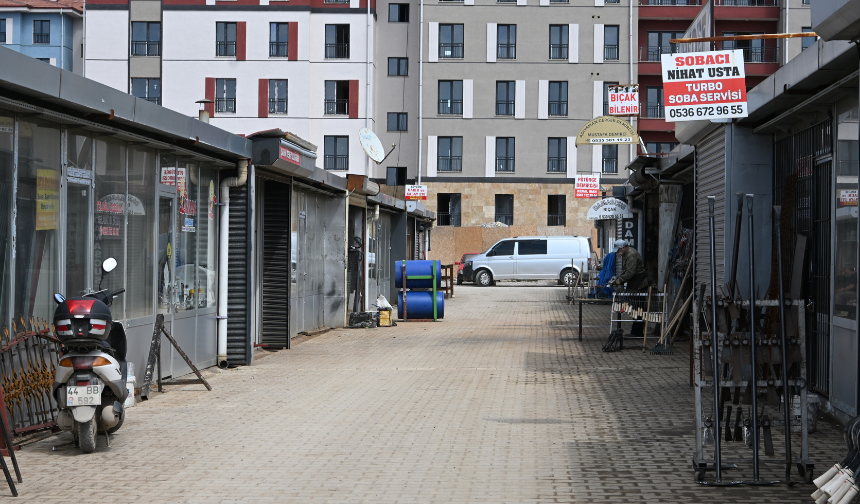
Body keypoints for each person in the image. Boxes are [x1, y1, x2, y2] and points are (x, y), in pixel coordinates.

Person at [608, 239, 651, 337]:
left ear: (623, 248)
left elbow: (630, 272)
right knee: (635, 307)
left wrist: (619, 281)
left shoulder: (631, 255)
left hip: (639, 283)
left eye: (618, 250)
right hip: (635, 281)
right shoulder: (626, 254)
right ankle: (636, 331)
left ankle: (637, 332)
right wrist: (618, 278)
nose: (618, 253)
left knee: (638, 307)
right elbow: (627, 271)